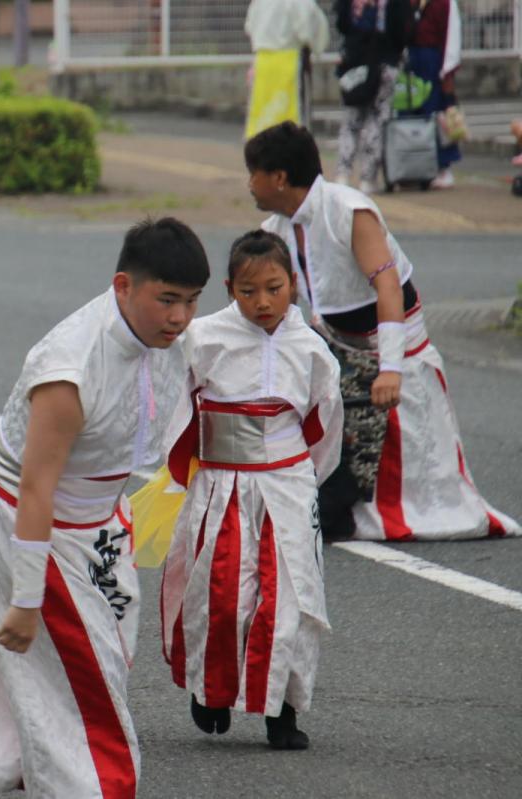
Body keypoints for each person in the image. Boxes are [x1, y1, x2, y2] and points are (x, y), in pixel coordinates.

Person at [0, 218, 210, 797]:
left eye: (190, 302)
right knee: (83, 673)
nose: (180, 317)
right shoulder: (69, 364)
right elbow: (37, 487)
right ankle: (90, 787)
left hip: (100, 518)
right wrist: (26, 597)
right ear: (123, 285)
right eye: (167, 300)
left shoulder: (168, 337)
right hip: (28, 513)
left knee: (90, 656)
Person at [245, 121, 520, 541]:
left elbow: (387, 285)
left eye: (254, 174)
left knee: (412, 447)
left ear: (279, 178)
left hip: (395, 338)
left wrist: (391, 367)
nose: (250, 184)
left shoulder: (349, 209)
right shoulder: (274, 231)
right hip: (339, 344)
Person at [160, 230, 342, 753]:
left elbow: (325, 425)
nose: (262, 301)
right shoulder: (203, 337)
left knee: (289, 599)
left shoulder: (311, 349)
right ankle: (211, 691)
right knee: (220, 595)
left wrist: (301, 481)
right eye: (248, 290)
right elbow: (179, 407)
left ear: (294, 285)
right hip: (221, 482)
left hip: (286, 482)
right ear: (228, 289)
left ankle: (282, 712)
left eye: (274, 287)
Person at [333, 0, 413, 193]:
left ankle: (343, 174)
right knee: (376, 120)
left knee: (351, 120)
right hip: (385, 62)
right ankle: (367, 178)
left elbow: (342, 24)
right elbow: (402, 31)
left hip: (355, 63)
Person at [244, 0, 330, 139]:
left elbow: (250, 27)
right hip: (290, 61)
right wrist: (315, 48)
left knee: (263, 119)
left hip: (263, 62)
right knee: (295, 120)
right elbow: (308, 31)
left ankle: (263, 154)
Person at [408, 0, 462, 188]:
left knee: (438, 114)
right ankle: (415, 168)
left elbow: (452, 36)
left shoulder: (446, 2)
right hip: (413, 62)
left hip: (435, 62)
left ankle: (443, 167)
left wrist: (448, 71)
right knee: (414, 115)